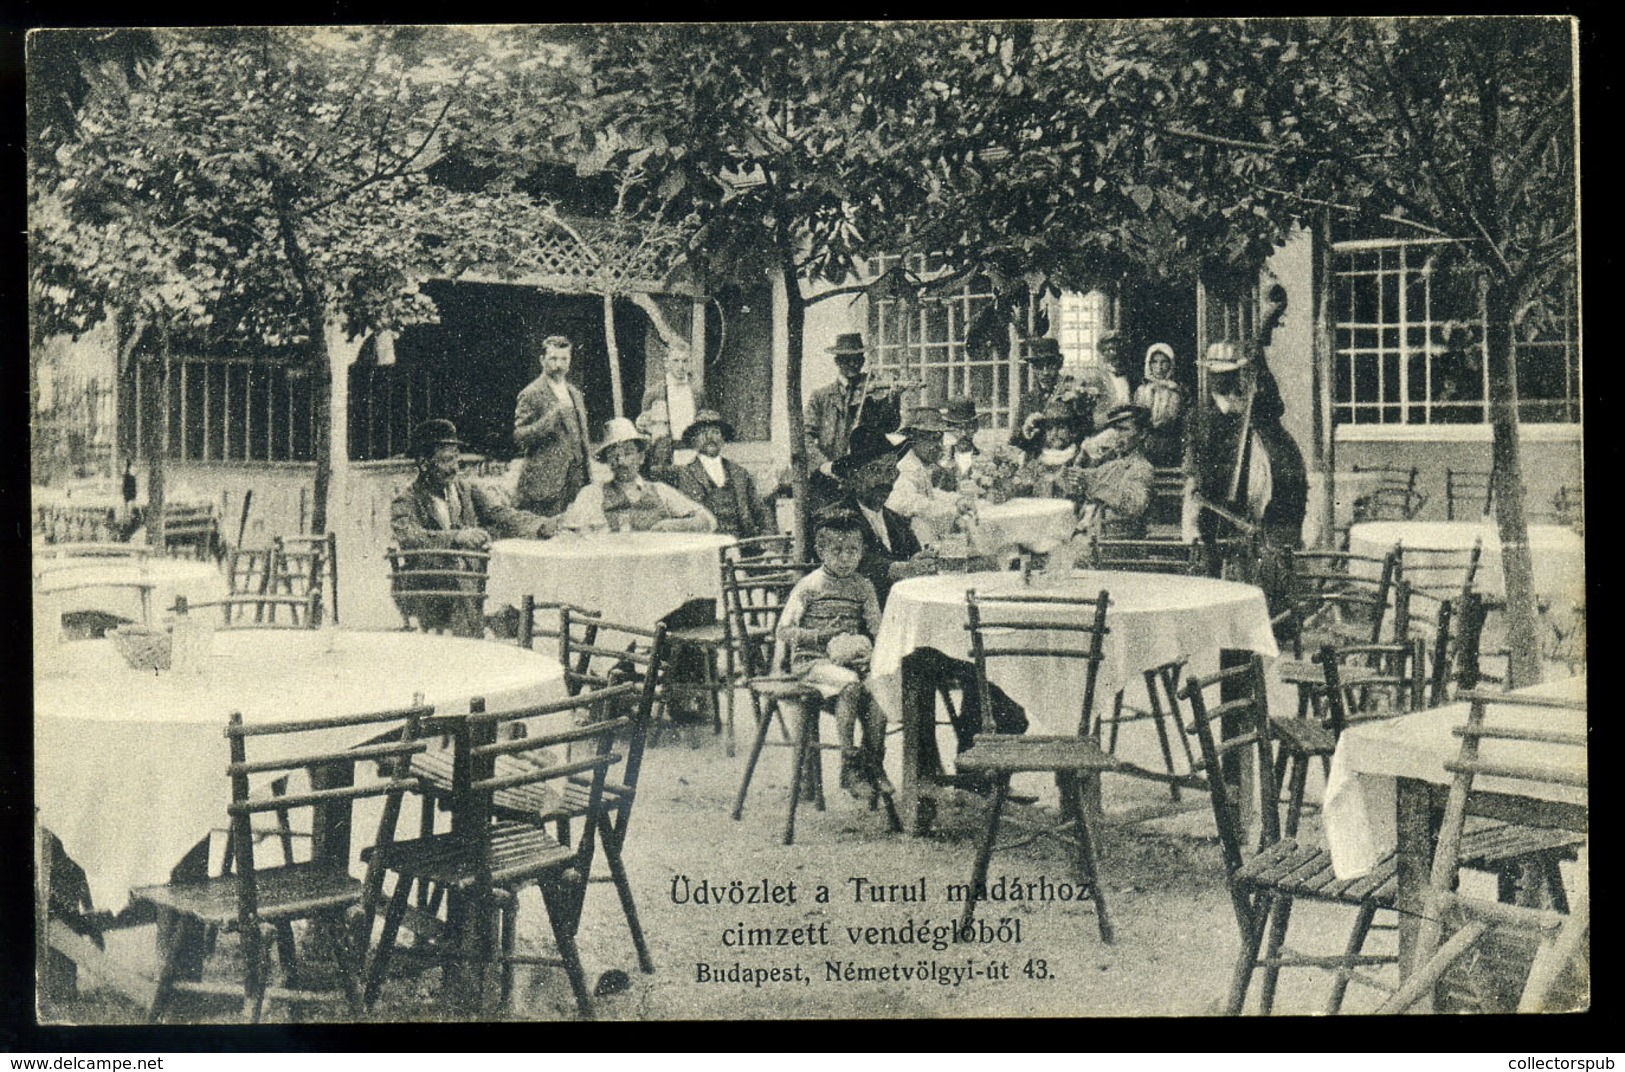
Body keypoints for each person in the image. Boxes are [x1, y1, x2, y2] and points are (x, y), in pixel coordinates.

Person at [1190, 288, 1307, 613]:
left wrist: (1260, 372)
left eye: (1227, 375)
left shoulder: (1254, 403)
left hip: (1264, 503)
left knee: (1268, 556)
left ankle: (1273, 608)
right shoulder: (1203, 413)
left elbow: (1276, 408)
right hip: (1216, 502)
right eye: (1215, 375)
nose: (1220, 381)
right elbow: (1199, 459)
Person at [391, 419, 558, 636]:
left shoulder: (464, 489)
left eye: (456, 459)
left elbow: (500, 513)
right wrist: (457, 537)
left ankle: (517, 635)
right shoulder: (406, 501)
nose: (454, 468)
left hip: (471, 576)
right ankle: (479, 639)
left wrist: (541, 525)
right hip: (430, 584)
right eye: (446, 460)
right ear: (424, 463)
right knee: (479, 591)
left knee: (516, 584)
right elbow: (411, 538)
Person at [774, 507, 889, 798]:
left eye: (853, 550)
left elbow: (877, 629)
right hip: (812, 663)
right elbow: (784, 630)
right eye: (837, 550)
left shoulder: (863, 586)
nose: (845, 558)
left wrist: (869, 651)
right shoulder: (810, 586)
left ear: (862, 550)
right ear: (821, 550)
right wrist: (821, 637)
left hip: (848, 660)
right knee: (850, 687)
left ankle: (873, 763)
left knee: (879, 692)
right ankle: (849, 766)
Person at [824, 425, 937, 608]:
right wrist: (902, 569)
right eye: (875, 470)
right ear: (853, 476)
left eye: (890, 471)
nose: (885, 480)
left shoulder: (897, 521)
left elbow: (915, 558)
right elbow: (854, 560)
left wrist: (923, 561)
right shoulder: (835, 517)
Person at [559, 418, 718, 533]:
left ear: (641, 457)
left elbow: (709, 521)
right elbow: (572, 532)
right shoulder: (593, 494)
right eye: (614, 455)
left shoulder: (660, 491)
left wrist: (673, 525)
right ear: (607, 461)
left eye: (628, 453)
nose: (621, 461)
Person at [513, 335, 593, 517]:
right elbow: (520, 437)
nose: (559, 365)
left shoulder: (575, 393)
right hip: (546, 483)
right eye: (553, 359)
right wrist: (550, 419)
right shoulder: (531, 393)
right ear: (542, 360)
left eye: (564, 359)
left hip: (576, 479)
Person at [804, 332, 904, 476]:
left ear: (863, 360)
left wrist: (894, 399)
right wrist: (823, 464)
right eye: (847, 360)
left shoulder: (872, 393)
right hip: (828, 473)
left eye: (857, 359)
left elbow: (889, 426)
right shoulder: (820, 397)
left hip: (862, 474)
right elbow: (805, 436)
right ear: (837, 361)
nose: (853, 364)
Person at [673, 410, 776, 539]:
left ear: (723, 439)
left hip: (744, 544)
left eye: (715, 432)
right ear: (694, 440)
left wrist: (769, 544)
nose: (710, 438)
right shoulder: (686, 473)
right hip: (709, 545)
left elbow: (761, 511)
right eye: (703, 433)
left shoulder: (739, 473)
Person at [886, 406, 971, 547]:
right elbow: (906, 502)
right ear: (913, 439)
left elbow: (928, 493)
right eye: (932, 439)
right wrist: (950, 511)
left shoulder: (916, 462)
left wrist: (956, 500)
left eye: (940, 440)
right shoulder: (906, 467)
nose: (939, 446)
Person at [1074, 404, 1156, 540]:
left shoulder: (1141, 467)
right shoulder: (1110, 464)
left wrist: (1093, 484)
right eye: (1115, 430)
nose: (1116, 436)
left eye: (1123, 430)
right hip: (1095, 537)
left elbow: (1133, 506)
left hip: (1119, 543)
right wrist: (1082, 456)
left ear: (1142, 434)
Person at [638, 340, 711, 473]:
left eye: (685, 361)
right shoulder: (654, 393)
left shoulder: (697, 392)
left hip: (692, 453)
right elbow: (645, 428)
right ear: (666, 363)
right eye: (675, 361)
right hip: (665, 456)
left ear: (690, 363)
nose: (680, 366)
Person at [1010, 336, 1090, 457]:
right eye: (1040, 367)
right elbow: (1014, 442)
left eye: (1050, 365)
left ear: (1059, 365)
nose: (1045, 372)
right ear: (1033, 368)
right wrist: (1025, 432)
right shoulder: (1027, 400)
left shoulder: (1074, 392)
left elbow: (1089, 430)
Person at [1009, 400, 1083, 502]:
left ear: (1072, 430)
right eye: (1049, 428)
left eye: (1061, 428)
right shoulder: (1034, 461)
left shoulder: (1080, 459)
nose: (1054, 433)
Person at [1134, 342, 1187, 467]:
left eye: (1164, 362)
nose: (1159, 367)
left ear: (1170, 364)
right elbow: (1138, 416)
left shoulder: (1175, 391)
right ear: (1149, 364)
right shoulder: (1142, 390)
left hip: (1168, 442)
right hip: (1145, 441)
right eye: (1155, 362)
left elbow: (1172, 418)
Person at [1076, 331, 1136, 431]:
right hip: (1106, 428)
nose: (1114, 354)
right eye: (1108, 350)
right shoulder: (1095, 379)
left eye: (1117, 349)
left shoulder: (1132, 377)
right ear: (1102, 354)